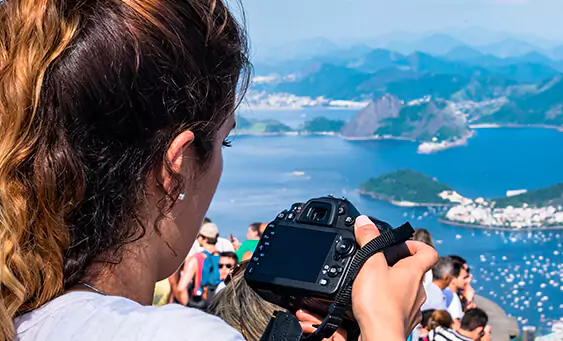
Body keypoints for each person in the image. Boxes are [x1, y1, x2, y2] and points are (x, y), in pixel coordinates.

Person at [0, 0, 436, 340]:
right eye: (224, 139)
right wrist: (384, 323)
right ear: (177, 166)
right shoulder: (173, 336)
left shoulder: (23, 313)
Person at [177, 222, 224, 309]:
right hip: (220, 304)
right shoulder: (225, 259)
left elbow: (181, 288)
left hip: (200, 303)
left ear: (204, 239)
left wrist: (188, 308)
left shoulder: (196, 259)